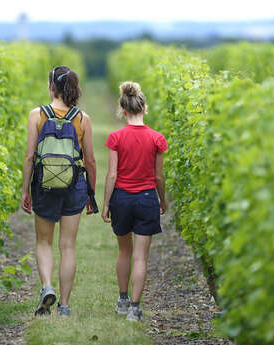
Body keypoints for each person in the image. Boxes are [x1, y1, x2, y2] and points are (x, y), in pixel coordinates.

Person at [21, 66, 97, 317]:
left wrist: (25, 190)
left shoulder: (37, 115)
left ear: (51, 86)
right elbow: (90, 161)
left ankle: (46, 287)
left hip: (44, 183)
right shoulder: (82, 118)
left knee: (44, 241)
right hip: (74, 184)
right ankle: (64, 306)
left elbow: (30, 156)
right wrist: (90, 193)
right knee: (68, 246)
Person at [102, 81, 167, 322]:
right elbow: (158, 176)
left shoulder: (115, 137)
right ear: (144, 108)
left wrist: (107, 203)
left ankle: (122, 299)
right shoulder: (157, 139)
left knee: (124, 251)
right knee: (141, 256)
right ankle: (136, 309)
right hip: (147, 198)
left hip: (121, 199)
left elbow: (112, 174)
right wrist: (162, 200)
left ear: (123, 110)